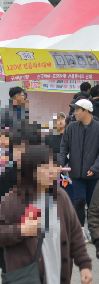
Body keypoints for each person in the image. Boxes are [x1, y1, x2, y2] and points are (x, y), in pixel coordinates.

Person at [0, 145, 93, 284]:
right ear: (30, 170)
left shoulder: (61, 197)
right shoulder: (13, 200)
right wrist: (21, 231)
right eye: (45, 167)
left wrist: (84, 265)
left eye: (53, 166)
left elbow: (75, 236)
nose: (52, 171)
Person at [59, 98, 99, 242]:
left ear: (86, 111)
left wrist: (95, 168)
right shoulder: (71, 128)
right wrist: (60, 163)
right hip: (76, 174)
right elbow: (64, 148)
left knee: (93, 207)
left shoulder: (98, 128)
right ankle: (81, 232)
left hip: (94, 176)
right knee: (80, 201)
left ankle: (94, 233)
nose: (74, 113)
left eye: (77, 110)